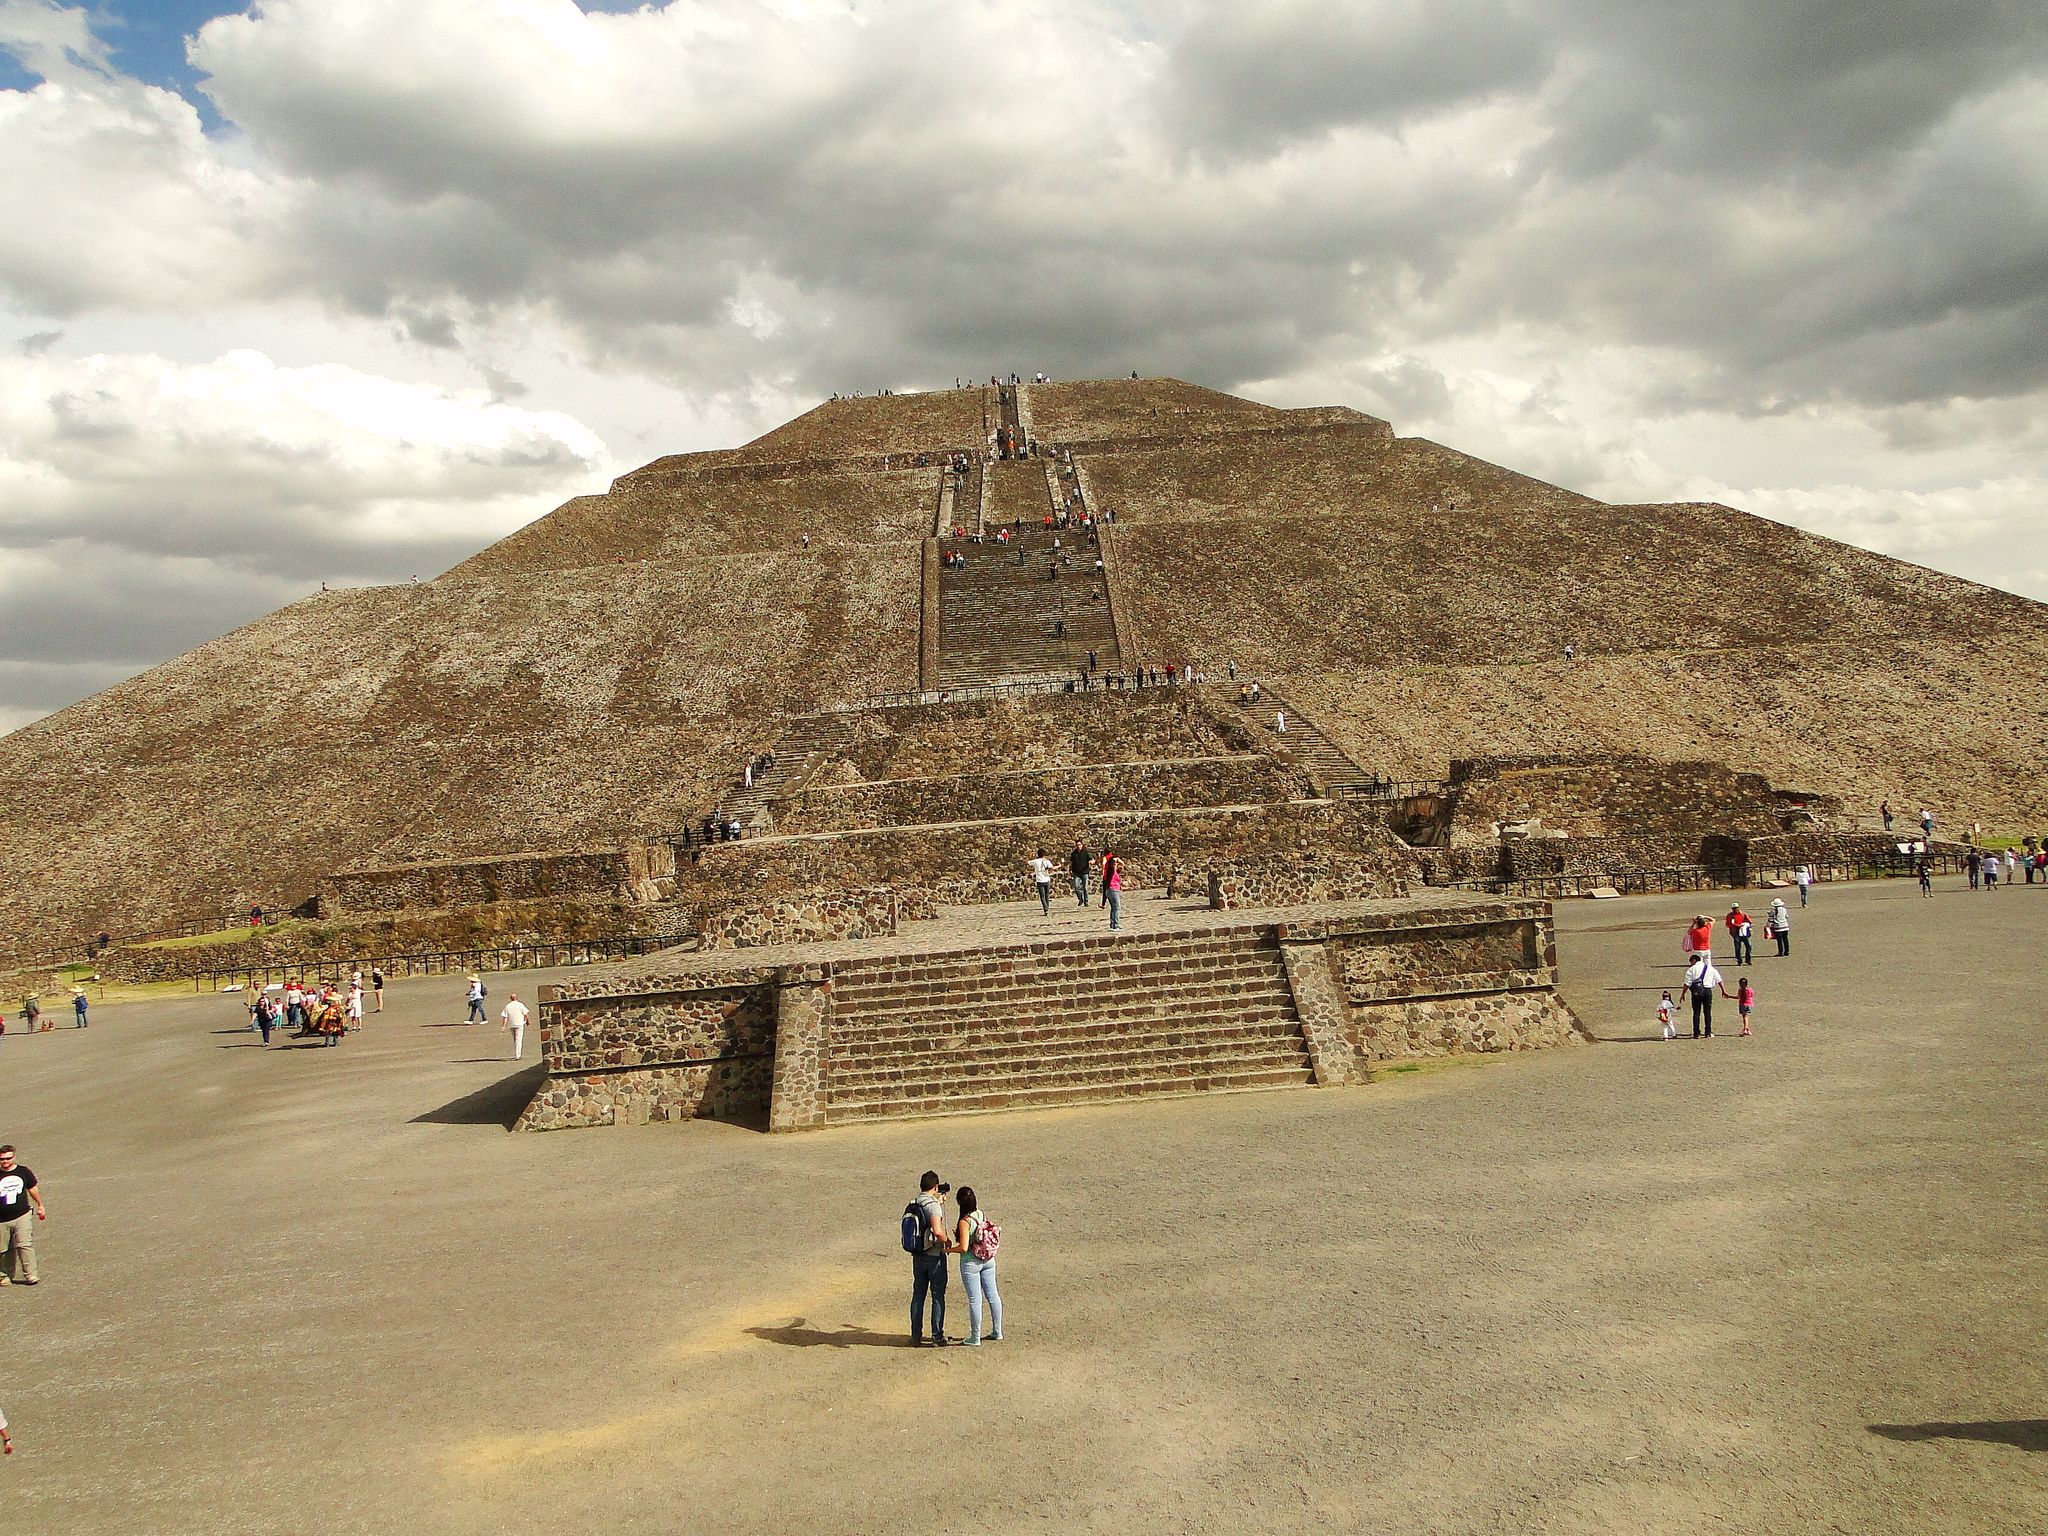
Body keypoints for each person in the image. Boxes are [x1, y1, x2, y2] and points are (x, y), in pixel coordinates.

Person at [950, 1186, 1002, 1346]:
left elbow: (963, 1247)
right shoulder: (980, 1214)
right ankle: (997, 1330)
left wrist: (949, 1249)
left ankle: (975, 1336)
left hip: (971, 1263)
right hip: (988, 1259)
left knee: (975, 1299)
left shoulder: (964, 1222)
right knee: (993, 1295)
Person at [907, 1171, 950, 1346]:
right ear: (935, 1187)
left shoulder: (915, 1202)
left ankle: (915, 1335)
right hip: (934, 1257)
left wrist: (937, 1202)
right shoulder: (933, 1206)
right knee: (937, 1295)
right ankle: (936, 1336)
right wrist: (947, 1241)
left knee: (918, 1295)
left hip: (918, 1256)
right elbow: (937, 1231)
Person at [0, 1145, 44, 1286]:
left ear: (14, 1157)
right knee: (3, 1250)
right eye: (2, 1159)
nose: (5, 1161)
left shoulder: (23, 1171)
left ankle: (31, 1275)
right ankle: (3, 1276)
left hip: (22, 1215)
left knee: (25, 1245)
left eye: (8, 1158)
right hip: (1, 1220)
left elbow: (33, 1188)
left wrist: (40, 1205)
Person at [1682, 952, 1734, 1038]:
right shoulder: (1710, 968)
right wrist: (1723, 991)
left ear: (1694, 960)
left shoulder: (1691, 969)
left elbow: (1687, 983)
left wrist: (1683, 994)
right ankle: (1708, 1032)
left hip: (1696, 993)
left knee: (1696, 1012)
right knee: (1707, 1012)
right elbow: (1719, 980)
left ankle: (1696, 1033)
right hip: (1707, 991)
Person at [501, 993, 530, 1060]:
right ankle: (518, 1055)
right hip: (519, 1024)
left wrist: (503, 1026)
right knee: (518, 1039)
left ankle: (517, 1054)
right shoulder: (520, 1004)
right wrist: (528, 1020)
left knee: (515, 1039)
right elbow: (525, 1014)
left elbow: (505, 1017)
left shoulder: (508, 1006)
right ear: (517, 998)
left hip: (511, 1024)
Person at [1027, 849, 1055, 915]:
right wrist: (1059, 865)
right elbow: (1052, 868)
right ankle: (1047, 907)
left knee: (1042, 896)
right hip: (1046, 879)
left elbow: (1027, 862)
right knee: (1047, 895)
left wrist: (1031, 855)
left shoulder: (1035, 861)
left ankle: (1045, 909)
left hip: (1039, 880)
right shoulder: (1047, 861)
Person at [1101, 851, 1124, 931]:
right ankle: (1116, 926)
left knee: (1113, 908)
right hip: (1113, 890)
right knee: (1117, 908)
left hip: (1111, 890)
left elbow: (1122, 864)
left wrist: (1117, 860)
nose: (1115, 863)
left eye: (1116, 862)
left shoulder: (1116, 870)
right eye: (1113, 862)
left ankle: (1112, 925)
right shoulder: (1110, 871)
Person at [1068, 839, 1090, 907]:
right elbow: (1071, 862)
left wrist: (1092, 862)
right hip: (1076, 873)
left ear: (1082, 845)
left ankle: (1086, 901)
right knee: (1077, 887)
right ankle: (1081, 899)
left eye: (1079, 845)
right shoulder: (1074, 853)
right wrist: (1069, 869)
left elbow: (1091, 859)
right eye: (1077, 845)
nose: (1078, 846)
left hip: (1084, 872)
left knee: (1085, 888)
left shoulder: (1086, 852)